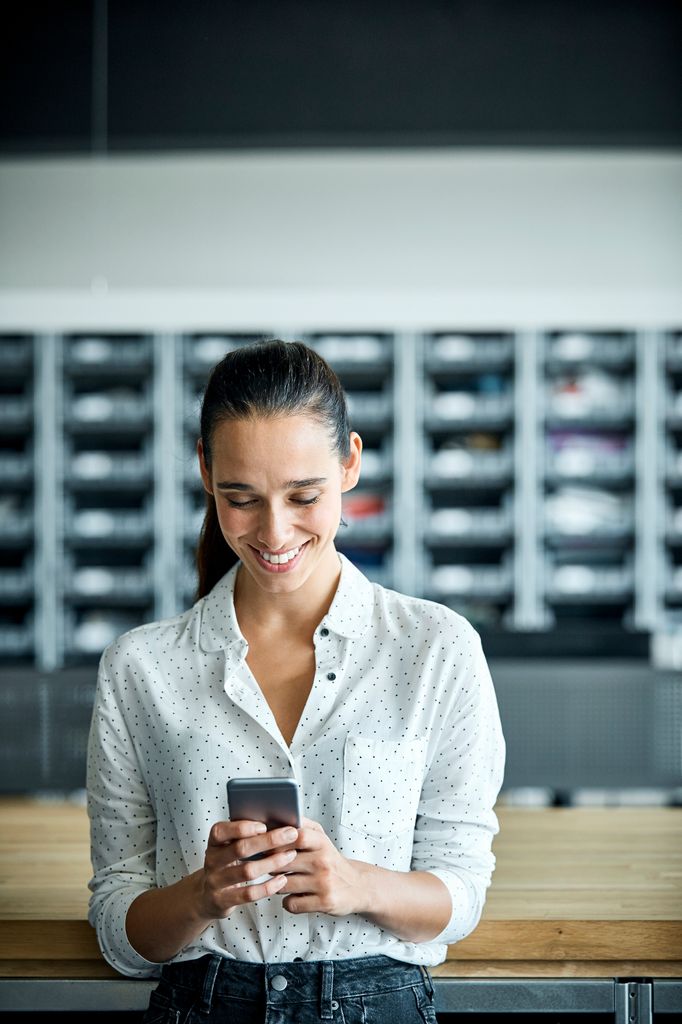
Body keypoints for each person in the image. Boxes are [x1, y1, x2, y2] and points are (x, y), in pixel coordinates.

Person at [87, 339, 505, 1024]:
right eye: (241, 498)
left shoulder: (437, 648)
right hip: (204, 1004)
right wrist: (201, 896)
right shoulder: (142, 668)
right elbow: (120, 930)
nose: (273, 531)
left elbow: (459, 897)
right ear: (205, 472)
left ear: (350, 464)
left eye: (303, 495)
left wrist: (356, 884)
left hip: (383, 1004)